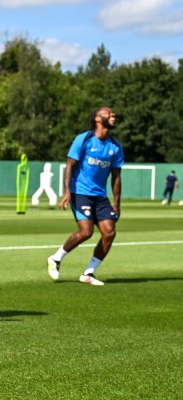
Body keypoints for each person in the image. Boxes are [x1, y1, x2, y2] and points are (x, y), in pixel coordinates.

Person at [46, 107, 123, 286]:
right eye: (108, 113)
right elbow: (70, 164)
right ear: (97, 118)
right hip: (80, 192)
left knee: (109, 233)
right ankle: (55, 259)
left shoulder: (115, 146)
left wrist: (116, 203)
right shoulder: (85, 139)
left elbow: (116, 177)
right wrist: (67, 191)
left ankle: (88, 273)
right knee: (86, 232)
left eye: (113, 114)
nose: (113, 115)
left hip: (100, 196)